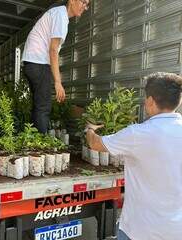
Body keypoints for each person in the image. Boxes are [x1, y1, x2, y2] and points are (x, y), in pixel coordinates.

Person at [85, 72, 182, 240]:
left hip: (140, 230)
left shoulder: (138, 134)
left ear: (150, 101)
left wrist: (90, 129)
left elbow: (95, 144)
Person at [22, 0, 89, 133]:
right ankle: (40, 147)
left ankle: (32, 141)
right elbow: (53, 50)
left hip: (32, 62)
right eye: (83, 2)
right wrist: (58, 82)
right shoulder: (61, 16)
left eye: (87, 5)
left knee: (39, 105)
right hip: (38, 62)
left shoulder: (59, 14)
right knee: (43, 106)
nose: (85, 7)